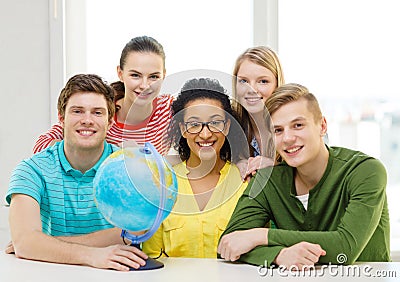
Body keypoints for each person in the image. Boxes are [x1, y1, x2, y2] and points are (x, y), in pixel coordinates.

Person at [218, 83, 390, 269]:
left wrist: (260, 236)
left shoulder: (365, 171)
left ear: (322, 126)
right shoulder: (268, 180)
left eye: (298, 125)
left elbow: (345, 248)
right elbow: (227, 245)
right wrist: (278, 255)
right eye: (278, 130)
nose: (288, 138)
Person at [5, 74, 148, 271]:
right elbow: (25, 244)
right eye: (78, 111)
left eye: (97, 113)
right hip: (49, 274)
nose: (87, 120)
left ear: (110, 121)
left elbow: (136, 232)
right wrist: (93, 255)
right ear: (61, 118)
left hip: (116, 275)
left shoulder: (129, 167)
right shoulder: (31, 170)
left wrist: (45, 244)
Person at [142, 78, 247, 258]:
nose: (205, 134)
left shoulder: (245, 182)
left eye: (215, 122)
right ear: (183, 128)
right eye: (194, 124)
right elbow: (153, 257)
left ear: (227, 126)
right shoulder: (163, 185)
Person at [33, 36, 173, 155]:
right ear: (120, 73)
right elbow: (41, 146)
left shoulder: (168, 110)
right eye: (135, 75)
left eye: (154, 76)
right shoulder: (99, 111)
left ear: (164, 75)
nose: (144, 85)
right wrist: (115, 154)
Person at [231, 46, 285, 181]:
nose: (252, 89)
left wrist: (277, 168)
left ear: (277, 84)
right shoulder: (231, 124)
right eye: (244, 81)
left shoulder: (294, 124)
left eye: (263, 81)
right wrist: (235, 166)